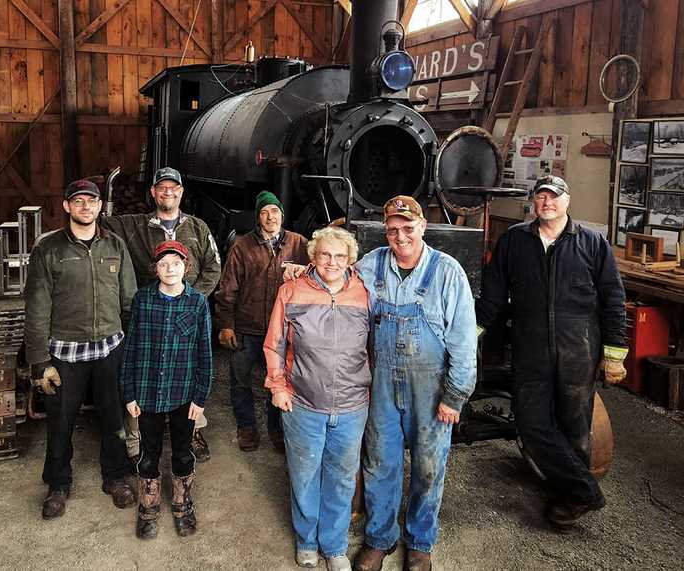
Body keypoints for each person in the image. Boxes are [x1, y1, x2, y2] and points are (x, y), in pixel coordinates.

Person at [476, 175, 627, 532]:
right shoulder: (514, 240)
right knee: (530, 424)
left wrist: (615, 352)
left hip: (579, 347)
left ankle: (569, 496)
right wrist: (470, 335)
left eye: (554, 196)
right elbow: (493, 297)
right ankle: (585, 490)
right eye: (541, 196)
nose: (547, 202)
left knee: (576, 425)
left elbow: (613, 298)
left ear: (567, 201)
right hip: (530, 347)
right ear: (534, 203)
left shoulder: (592, 242)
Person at [354, 196, 477, 571]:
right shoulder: (370, 264)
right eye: (393, 229)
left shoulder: (447, 272)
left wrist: (455, 396)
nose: (400, 235)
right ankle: (380, 538)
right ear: (385, 231)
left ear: (423, 227)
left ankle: (420, 541)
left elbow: (464, 340)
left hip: (432, 388)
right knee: (380, 462)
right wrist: (303, 272)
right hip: (383, 388)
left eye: (408, 228)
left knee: (429, 466)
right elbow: (334, 280)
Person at [24, 179, 138, 520]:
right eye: (78, 201)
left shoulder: (115, 246)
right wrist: (39, 362)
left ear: (101, 206)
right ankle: (58, 484)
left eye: (92, 201)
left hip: (109, 348)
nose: (86, 207)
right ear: (66, 206)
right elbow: (37, 307)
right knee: (60, 421)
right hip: (65, 353)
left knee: (113, 415)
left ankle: (116, 477)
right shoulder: (49, 250)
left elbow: (129, 300)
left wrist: (131, 350)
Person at [264, 227, 371, 571]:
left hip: (353, 404)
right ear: (312, 257)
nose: (332, 262)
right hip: (304, 404)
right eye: (325, 254)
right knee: (305, 474)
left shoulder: (367, 292)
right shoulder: (291, 290)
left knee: (342, 478)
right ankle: (307, 541)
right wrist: (278, 386)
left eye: (340, 256)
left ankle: (335, 546)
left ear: (351, 260)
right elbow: (275, 343)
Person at [102, 167, 221, 463]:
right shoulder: (135, 226)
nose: (169, 193)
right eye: (162, 188)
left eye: (174, 188)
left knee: (190, 367)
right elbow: (100, 223)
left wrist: (190, 300)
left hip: (186, 316)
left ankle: (193, 432)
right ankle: (135, 440)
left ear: (181, 192)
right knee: (142, 369)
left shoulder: (198, 228)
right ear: (153, 193)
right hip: (149, 313)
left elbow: (214, 268)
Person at [120, 240, 213, 539]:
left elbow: (205, 354)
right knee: (149, 452)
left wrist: (200, 396)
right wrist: (130, 393)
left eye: (176, 263)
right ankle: (148, 507)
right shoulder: (143, 300)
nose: (170, 268)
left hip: (184, 394)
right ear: (154, 268)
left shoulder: (197, 302)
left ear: (186, 267)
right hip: (148, 391)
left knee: (183, 451)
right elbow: (131, 347)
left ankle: (182, 504)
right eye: (163, 263)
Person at [215, 191, 309, 452]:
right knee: (241, 379)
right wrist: (226, 323)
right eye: (265, 212)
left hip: (282, 329)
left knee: (277, 381)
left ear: (282, 214)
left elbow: (321, 267)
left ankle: (276, 429)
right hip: (247, 328)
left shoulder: (298, 244)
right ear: (258, 217)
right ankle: (246, 427)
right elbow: (228, 288)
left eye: (275, 211)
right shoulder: (242, 246)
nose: (271, 217)